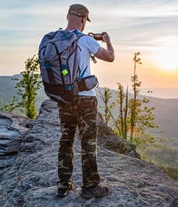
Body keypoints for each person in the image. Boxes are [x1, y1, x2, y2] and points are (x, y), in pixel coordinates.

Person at [56, 4, 114, 199]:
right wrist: (107, 41)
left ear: (67, 16)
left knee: (66, 139)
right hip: (85, 100)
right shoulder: (85, 40)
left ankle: (63, 185)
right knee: (88, 143)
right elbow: (110, 57)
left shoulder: (54, 39)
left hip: (64, 98)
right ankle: (90, 187)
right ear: (82, 20)